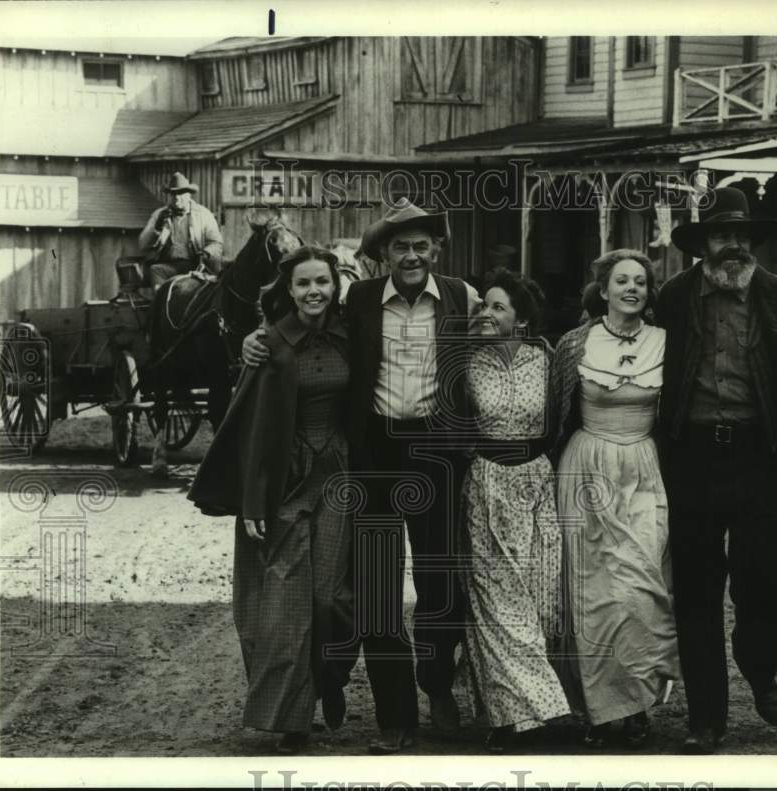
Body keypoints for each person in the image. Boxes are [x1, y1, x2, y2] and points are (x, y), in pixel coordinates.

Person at [242, 198, 481, 754]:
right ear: (381, 256)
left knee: (441, 585)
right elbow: (307, 320)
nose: (412, 255)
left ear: (437, 251)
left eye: (422, 245)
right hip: (373, 455)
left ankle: (438, 685)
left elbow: (504, 332)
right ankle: (396, 718)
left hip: (437, 453)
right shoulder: (362, 300)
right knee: (376, 591)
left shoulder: (460, 298)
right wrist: (259, 339)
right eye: (400, 246)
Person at [658, 187, 777, 754]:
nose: (734, 247)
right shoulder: (672, 297)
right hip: (690, 459)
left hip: (758, 458)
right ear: (703, 246)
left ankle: (759, 667)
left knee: (766, 583)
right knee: (695, 595)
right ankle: (706, 720)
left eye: (742, 237)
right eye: (722, 237)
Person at [188, 246, 355, 755]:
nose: (313, 292)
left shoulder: (353, 334)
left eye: (321, 282)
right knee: (285, 603)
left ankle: (328, 678)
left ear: (335, 285)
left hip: (341, 481)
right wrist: (254, 503)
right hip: (287, 482)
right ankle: (292, 720)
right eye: (302, 283)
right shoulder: (271, 344)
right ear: (288, 290)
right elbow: (255, 428)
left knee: (331, 598)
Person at [550, 249, 680, 750]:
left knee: (642, 588)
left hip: (645, 471)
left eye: (641, 282)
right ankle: (601, 711)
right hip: (586, 471)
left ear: (649, 293)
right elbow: (553, 416)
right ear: (602, 290)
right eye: (621, 281)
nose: (632, 289)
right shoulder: (575, 343)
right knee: (593, 596)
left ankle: (640, 698)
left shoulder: (668, 342)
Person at [459, 268, 571, 754]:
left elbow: (568, 415)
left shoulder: (548, 361)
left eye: (498, 306)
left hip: (538, 483)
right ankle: (507, 719)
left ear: (522, 321)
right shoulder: (463, 363)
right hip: (486, 484)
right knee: (494, 605)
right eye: (482, 304)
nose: (486, 312)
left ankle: (541, 704)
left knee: (541, 599)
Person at [138, 172, 224, 289]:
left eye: (181, 193)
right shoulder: (160, 215)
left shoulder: (203, 215)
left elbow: (216, 243)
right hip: (169, 266)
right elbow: (143, 245)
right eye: (173, 194)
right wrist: (157, 229)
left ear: (189, 194)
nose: (177, 198)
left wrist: (206, 252)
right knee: (155, 271)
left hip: (195, 265)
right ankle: (162, 305)